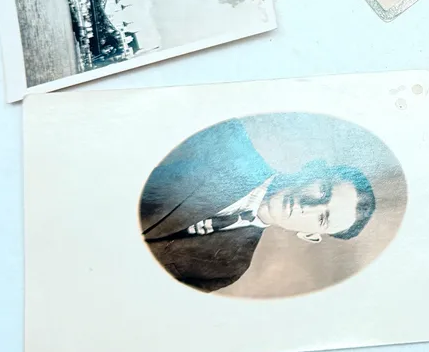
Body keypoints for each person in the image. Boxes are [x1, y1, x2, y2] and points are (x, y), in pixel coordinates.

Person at [140, 119, 376, 293]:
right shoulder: (225, 139)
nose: (308, 207)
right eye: (323, 190)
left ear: (309, 235)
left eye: (322, 218)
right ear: (312, 169)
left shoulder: (228, 269)